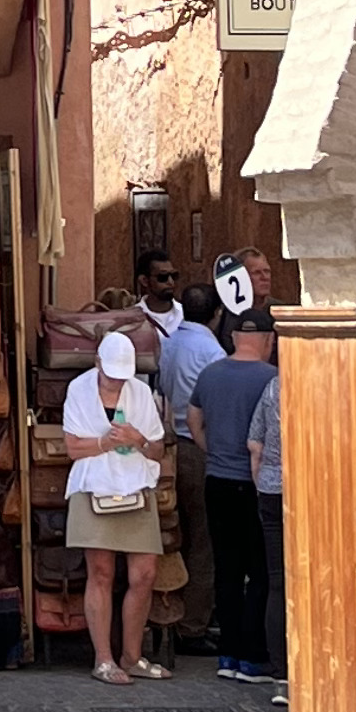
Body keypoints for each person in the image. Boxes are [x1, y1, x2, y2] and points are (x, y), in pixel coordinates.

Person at [64, 326, 168, 689]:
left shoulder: (140, 392)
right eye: (111, 375)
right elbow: (73, 447)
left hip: (135, 485)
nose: (117, 382)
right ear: (98, 364)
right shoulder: (78, 389)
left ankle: (132, 655)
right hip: (94, 487)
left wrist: (138, 439)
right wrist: (105, 442)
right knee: (102, 572)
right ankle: (103, 658)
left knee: (145, 573)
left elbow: (158, 448)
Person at [191, 309, 279, 682]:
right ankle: (253, 656)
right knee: (260, 572)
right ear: (267, 340)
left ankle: (227, 653)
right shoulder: (270, 378)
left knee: (227, 569)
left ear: (232, 338)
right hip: (256, 484)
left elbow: (193, 418)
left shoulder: (210, 374)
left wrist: (211, 450)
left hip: (218, 480)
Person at [147, 279, 226, 650]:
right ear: (217, 314)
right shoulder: (212, 353)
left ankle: (164, 615)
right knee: (201, 541)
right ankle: (192, 626)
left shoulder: (167, 342)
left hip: (165, 447)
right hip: (196, 447)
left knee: (170, 537)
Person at [250, 360, 288, 701]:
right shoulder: (323, 385)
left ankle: (281, 675)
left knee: (278, 582)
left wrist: (260, 483)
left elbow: (255, 446)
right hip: (311, 492)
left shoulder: (274, 388)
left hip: (272, 489)